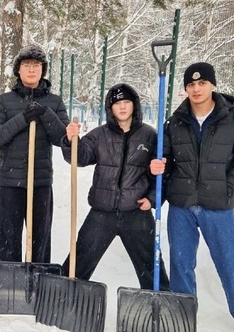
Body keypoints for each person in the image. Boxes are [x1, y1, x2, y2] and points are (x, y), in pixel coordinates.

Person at [150, 62, 234, 332]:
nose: (196, 89)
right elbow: (166, 161)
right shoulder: (175, 123)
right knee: (181, 263)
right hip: (182, 204)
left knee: (231, 262)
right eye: (190, 85)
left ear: (212, 85)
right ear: (185, 90)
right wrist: (158, 165)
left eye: (201, 84)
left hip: (218, 204)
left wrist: (229, 187)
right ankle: (182, 314)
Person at [61, 83, 169, 291]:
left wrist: (153, 199)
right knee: (80, 259)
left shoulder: (150, 136)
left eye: (126, 102)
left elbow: (163, 174)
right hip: (103, 211)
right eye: (117, 103)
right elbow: (80, 157)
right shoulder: (99, 135)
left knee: (151, 266)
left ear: (135, 106)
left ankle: (161, 303)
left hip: (136, 211)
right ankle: (65, 297)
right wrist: (70, 141)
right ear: (110, 108)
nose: (122, 107)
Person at [0, 45, 69, 263]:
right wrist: (23, 118)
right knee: (8, 240)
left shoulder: (54, 102)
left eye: (36, 65)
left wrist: (46, 114)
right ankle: (9, 286)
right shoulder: (4, 101)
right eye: (26, 65)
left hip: (40, 183)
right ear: (18, 70)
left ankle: (38, 284)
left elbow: (63, 138)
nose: (31, 69)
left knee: (40, 240)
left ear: (43, 70)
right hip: (11, 184)